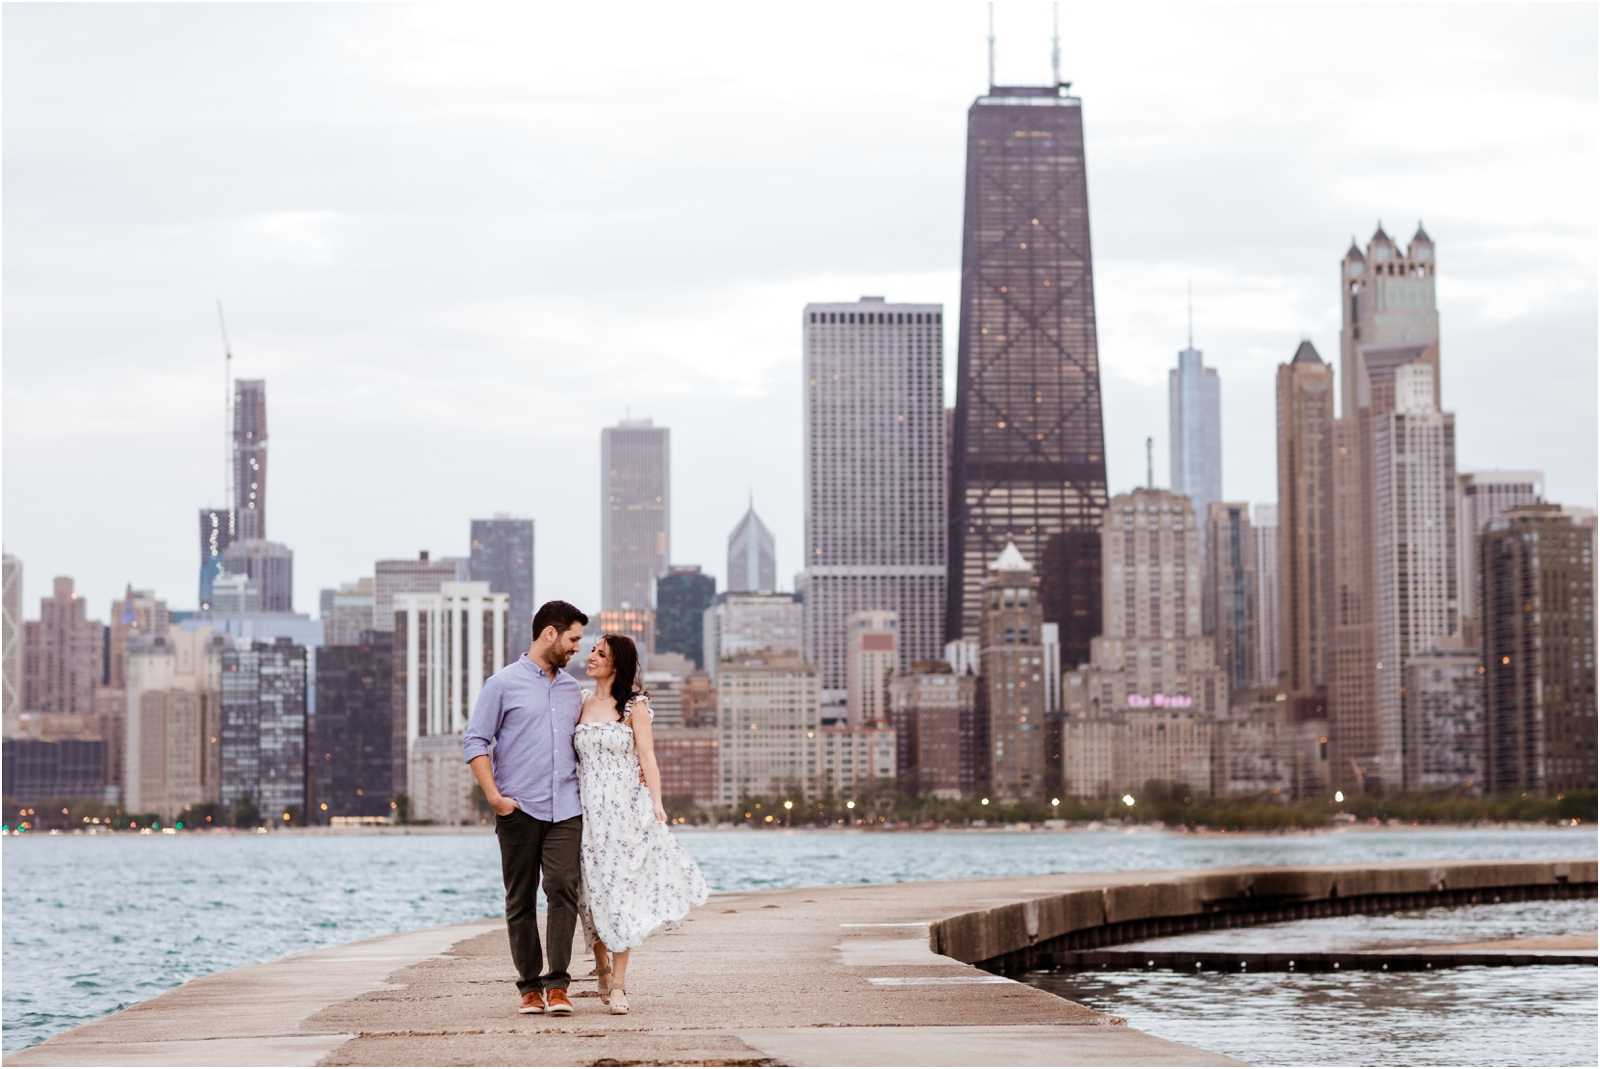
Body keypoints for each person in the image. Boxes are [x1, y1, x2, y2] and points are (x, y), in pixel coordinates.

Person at [463, 599, 589, 1017]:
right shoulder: (502, 683)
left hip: (567, 809)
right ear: (549, 633)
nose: (576, 649)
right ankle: (529, 988)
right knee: (520, 899)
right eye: (572, 639)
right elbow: (475, 741)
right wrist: (496, 799)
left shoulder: (574, 691)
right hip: (518, 810)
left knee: (562, 889)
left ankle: (558, 985)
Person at [576, 633, 709, 1015]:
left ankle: (618, 985)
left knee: (618, 895)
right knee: (589, 896)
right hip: (585, 813)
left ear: (617, 662)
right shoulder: (581, 703)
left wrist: (657, 804)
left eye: (600, 653)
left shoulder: (634, 705)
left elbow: (648, 759)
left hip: (623, 813)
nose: (592, 656)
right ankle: (600, 966)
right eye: (592, 650)